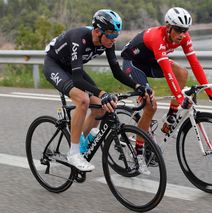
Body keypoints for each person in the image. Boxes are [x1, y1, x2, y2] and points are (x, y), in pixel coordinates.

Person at [43, 9, 152, 174]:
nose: (113, 39)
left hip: (71, 69)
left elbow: (116, 71)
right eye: (110, 34)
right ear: (97, 31)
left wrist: (137, 86)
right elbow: (78, 79)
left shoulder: (107, 42)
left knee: (101, 106)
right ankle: (73, 154)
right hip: (54, 65)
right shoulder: (79, 38)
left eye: (116, 35)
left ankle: (81, 148)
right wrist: (102, 93)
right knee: (84, 100)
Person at [121, 7, 212, 137]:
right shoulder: (157, 37)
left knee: (182, 73)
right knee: (151, 106)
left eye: (185, 30)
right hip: (133, 64)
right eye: (178, 29)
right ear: (168, 27)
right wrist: (180, 98)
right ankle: (139, 151)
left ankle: (171, 116)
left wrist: (210, 93)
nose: (182, 34)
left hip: (151, 62)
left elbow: (195, 64)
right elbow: (167, 71)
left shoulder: (184, 38)